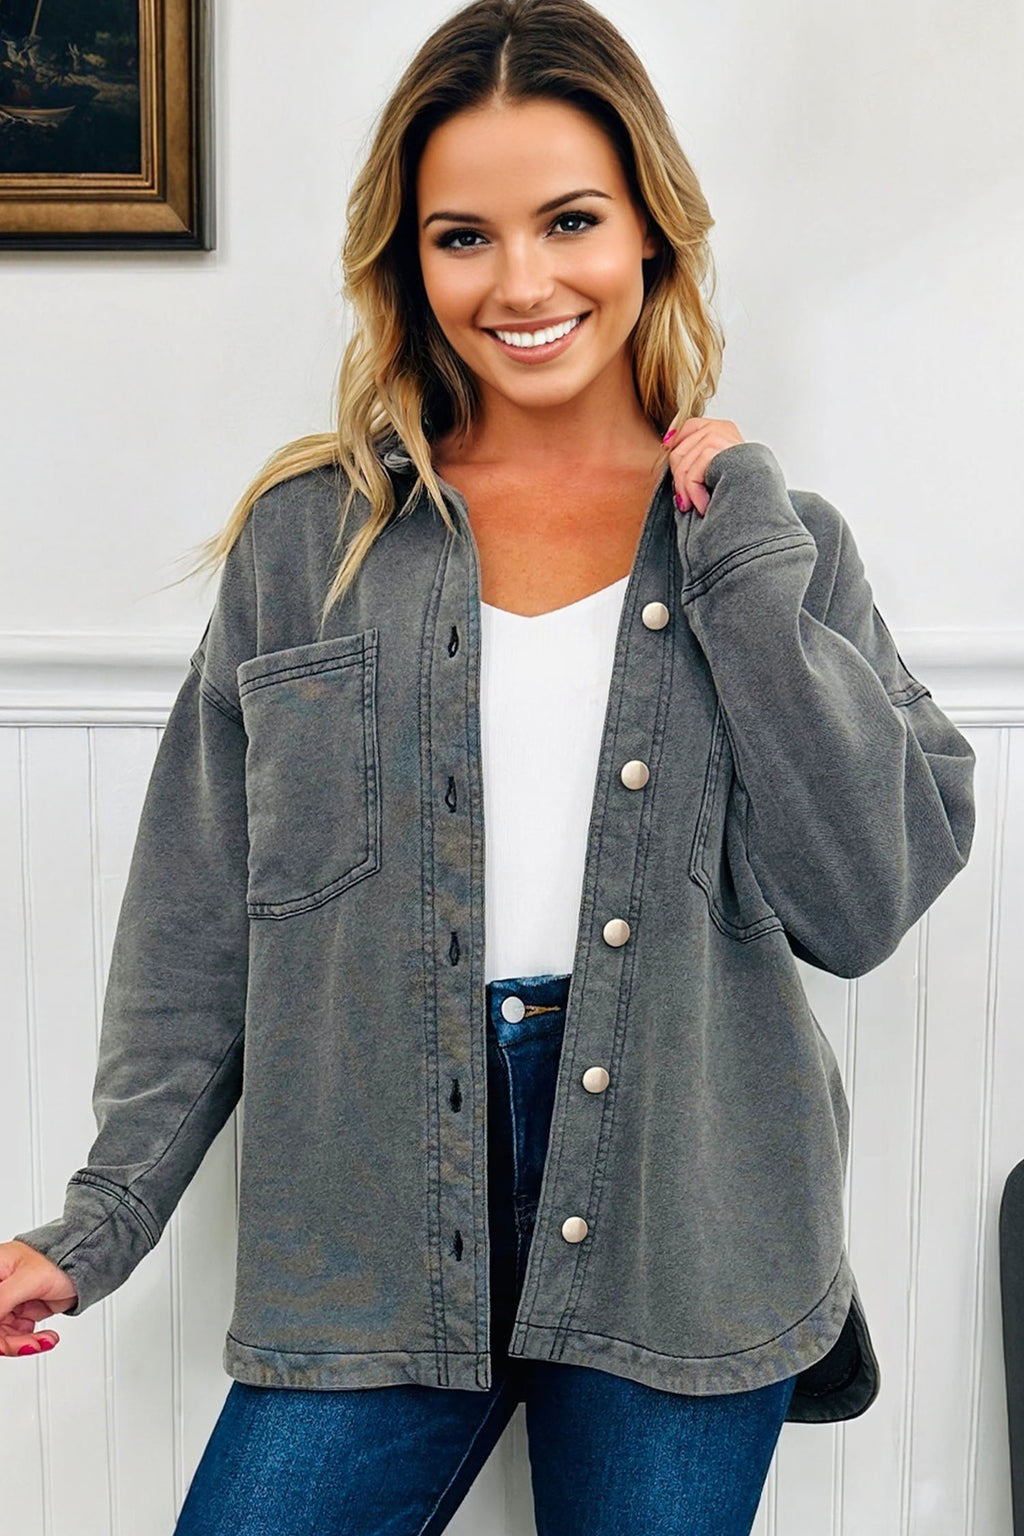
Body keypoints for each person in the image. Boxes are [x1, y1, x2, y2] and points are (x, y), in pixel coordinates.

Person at [0, 0, 977, 1532]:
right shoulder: (309, 544)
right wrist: (97, 1223)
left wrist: (750, 563)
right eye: (464, 236)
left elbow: (861, 904)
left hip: (693, 1223)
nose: (521, 283)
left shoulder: (773, 547)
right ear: (408, 262)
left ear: (650, 231)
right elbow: (201, 925)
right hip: (376, 1217)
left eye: (570, 221)